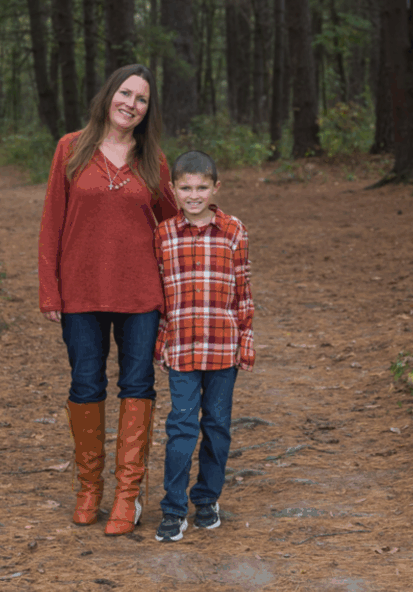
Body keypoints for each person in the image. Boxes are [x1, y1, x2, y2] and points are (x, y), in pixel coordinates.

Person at [38, 64, 179, 536]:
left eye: (141, 99)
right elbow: (51, 223)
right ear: (108, 95)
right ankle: (88, 489)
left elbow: (174, 224)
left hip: (140, 293)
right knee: (85, 384)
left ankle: (127, 494)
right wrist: (49, 288)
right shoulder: (70, 149)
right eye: (125, 93)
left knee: (137, 384)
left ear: (147, 110)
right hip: (80, 290)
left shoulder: (153, 162)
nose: (131, 104)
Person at [152, 150, 255, 543]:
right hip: (181, 348)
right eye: (185, 188)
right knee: (180, 427)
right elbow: (161, 298)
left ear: (215, 188)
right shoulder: (163, 235)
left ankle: (207, 499)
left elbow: (242, 291)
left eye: (201, 187)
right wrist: (161, 343)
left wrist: (246, 341)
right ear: (173, 190)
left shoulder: (233, 231)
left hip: (222, 348)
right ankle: (173, 508)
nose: (193, 195)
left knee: (216, 426)